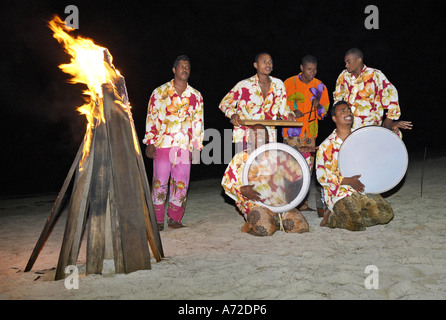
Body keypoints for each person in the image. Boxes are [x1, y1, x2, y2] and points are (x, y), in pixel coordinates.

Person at [143, 55, 204, 230]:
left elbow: (198, 122)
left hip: (184, 145)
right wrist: (150, 142)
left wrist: (196, 147)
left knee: (181, 182)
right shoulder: (159, 92)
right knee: (159, 181)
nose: (184, 69)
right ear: (174, 70)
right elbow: (151, 117)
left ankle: (175, 218)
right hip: (163, 143)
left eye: (187, 67)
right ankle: (158, 219)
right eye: (181, 66)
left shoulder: (196, 96)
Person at [315, 101, 394, 231]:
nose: (348, 113)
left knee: (386, 215)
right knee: (357, 225)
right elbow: (322, 177)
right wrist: (347, 180)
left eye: (349, 110)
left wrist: (393, 133)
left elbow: (375, 160)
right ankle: (333, 219)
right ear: (334, 118)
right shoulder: (326, 146)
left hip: (362, 188)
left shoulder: (360, 139)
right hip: (339, 193)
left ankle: (345, 216)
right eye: (342, 111)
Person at [222, 124, 312, 236]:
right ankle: (252, 224)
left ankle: (276, 220)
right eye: (254, 133)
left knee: (301, 227)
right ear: (249, 138)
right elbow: (227, 183)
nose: (258, 136)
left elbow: (296, 175)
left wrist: (302, 156)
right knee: (264, 230)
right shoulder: (240, 158)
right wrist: (241, 190)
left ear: (268, 138)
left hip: (280, 204)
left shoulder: (278, 154)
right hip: (255, 204)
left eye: (262, 133)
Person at [219, 52, 296, 150]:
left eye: (270, 62)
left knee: (268, 165)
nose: (268, 64)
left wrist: (289, 114)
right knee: (245, 164)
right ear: (256, 65)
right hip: (245, 136)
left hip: (268, 137)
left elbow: (283, 108)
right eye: (264, 61)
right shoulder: (244, 85)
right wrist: (233, 114)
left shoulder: (279, 84)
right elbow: (224, 104)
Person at [282, 55, 330, 212]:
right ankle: (289, 204)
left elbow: (325, 113)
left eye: (315, 69)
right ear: (301, 68)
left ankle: (303, 204)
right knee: (290, 168)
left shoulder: (320, 86)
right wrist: (291, 111)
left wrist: (319, 107)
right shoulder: (288, 83)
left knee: (306, 169)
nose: (313, 72)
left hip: (310, 134)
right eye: (309, 69)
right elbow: (279, 106)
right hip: (291, 132)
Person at [333, 48, 412, 134]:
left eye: (349, 62)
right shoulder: (343, 76)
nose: (346, 65)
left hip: (371, 128)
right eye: (345, 62)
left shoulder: (375, 75)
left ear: (359, 60)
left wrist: (390, 118)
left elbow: (391, 93)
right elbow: (338, 98)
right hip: (348, 128)